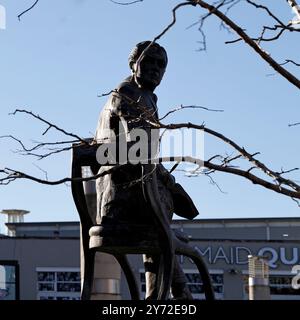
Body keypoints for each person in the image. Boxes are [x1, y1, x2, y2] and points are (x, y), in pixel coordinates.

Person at [95, 41, 198, 300]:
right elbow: (140, 153)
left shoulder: (147, 97)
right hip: (122, 202)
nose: (154, 68)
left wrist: (170, 183)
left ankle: (172, 293)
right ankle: (175, 293)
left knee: (163, 234)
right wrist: (170, 182)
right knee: (163, 236)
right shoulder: (127, 94)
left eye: (160, 64)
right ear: (133, 64)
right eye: (148, 62)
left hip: (140, 198)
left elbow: (144, 153)